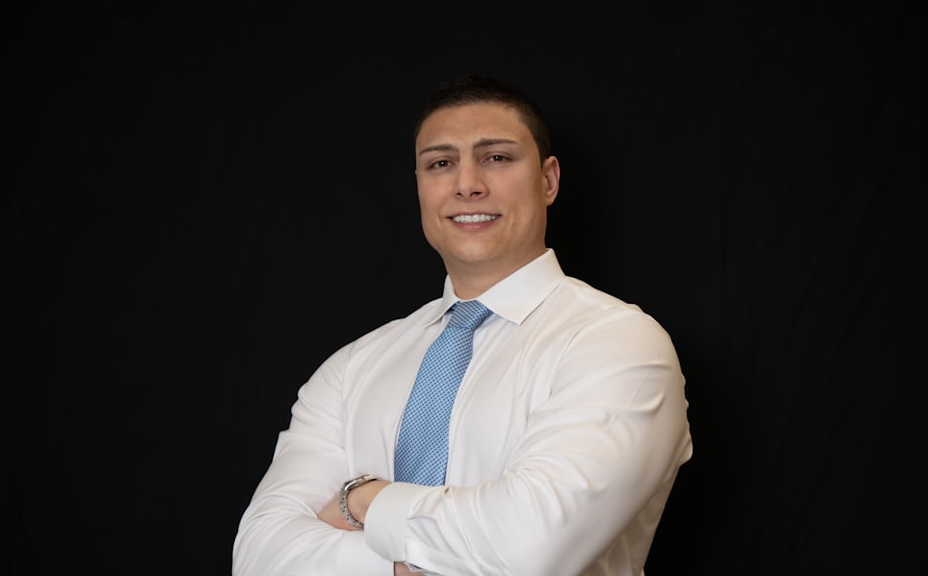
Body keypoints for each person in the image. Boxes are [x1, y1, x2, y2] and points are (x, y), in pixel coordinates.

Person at [232, 74, 693, 576]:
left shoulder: (618, 345)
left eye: (496, 157)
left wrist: (363, 501)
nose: (467, 184)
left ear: (548, 180)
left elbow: (528, 549)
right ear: (420, 187)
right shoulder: (352, 368)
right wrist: (398, 567)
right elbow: (259, 555)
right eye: (440, 163)